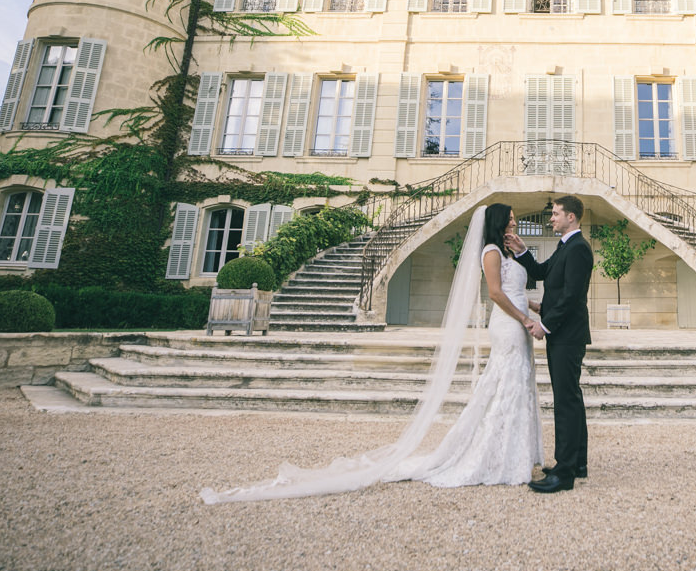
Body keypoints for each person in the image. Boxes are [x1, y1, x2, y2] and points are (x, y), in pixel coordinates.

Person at [200, 203, 544, 502]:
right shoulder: (491, 253)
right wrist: (526, 320)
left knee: (514, 386)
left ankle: (514, 451)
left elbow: (512, 291)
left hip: (518, 323)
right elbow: (496, 295)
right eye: (510, 220)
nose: (514, 223)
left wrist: (532, 306)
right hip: (508, 327)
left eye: (515, 219)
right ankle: (496, 455)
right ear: (499, 223)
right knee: (503, 386)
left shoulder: (510, 252)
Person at [506, 194, 593, 493]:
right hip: (565, 334)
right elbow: (544, 273)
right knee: (572, 398)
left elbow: (571, 296)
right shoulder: (566, 246)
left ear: (571, 216)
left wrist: (545, 325)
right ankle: (577, 462)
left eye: (556, 213)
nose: (551, 218)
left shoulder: (579, 249)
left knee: (566, 402)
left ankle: (564, 473)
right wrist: (521, 252)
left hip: (567, 335)